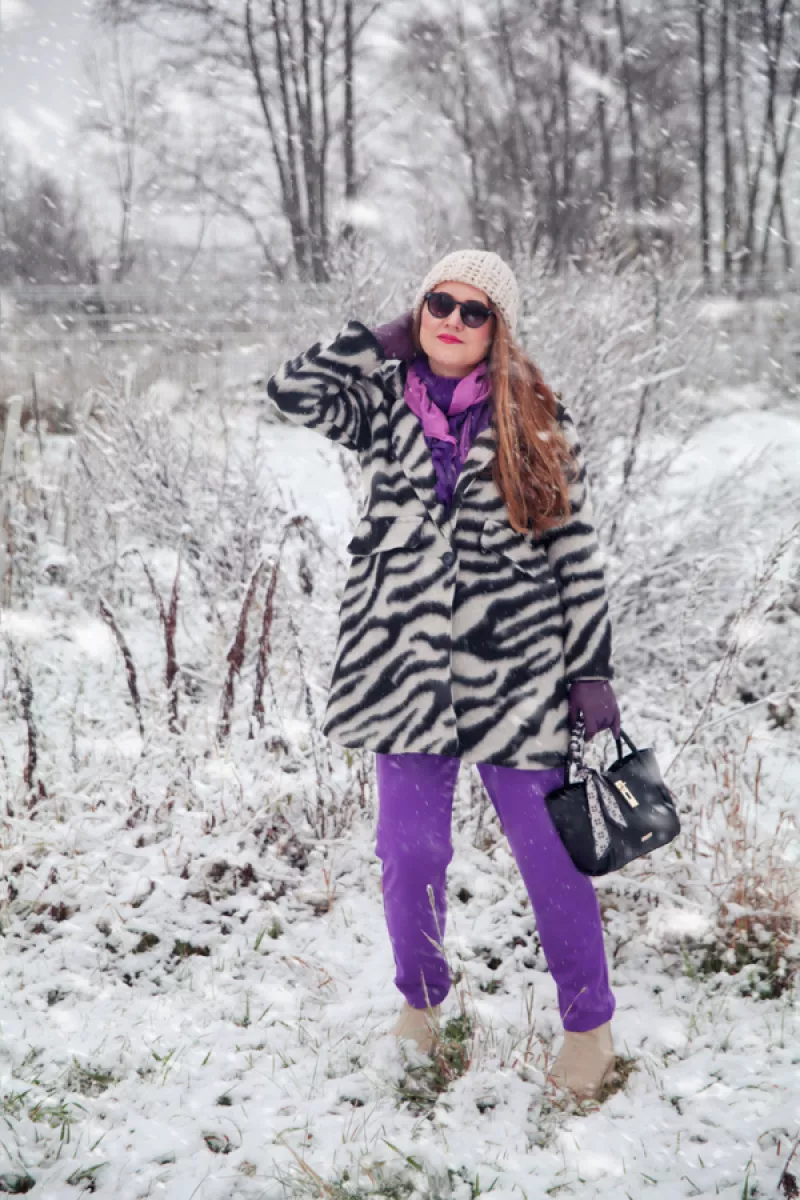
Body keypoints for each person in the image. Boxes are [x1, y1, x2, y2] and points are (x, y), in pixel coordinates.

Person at [266, 250, 622, 1100]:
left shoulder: (537, 419)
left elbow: (575, 554)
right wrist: (375, 342)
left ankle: (590, 1027)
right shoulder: (379, 402)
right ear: (418, 310)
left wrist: (591, 672)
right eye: (439, 303)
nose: (453, 321)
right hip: (402, 668)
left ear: (500, 330)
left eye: (474, 311)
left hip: (516, 672)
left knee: (550, 855)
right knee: (409, 849)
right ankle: (421, 1004)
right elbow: (289, 393)